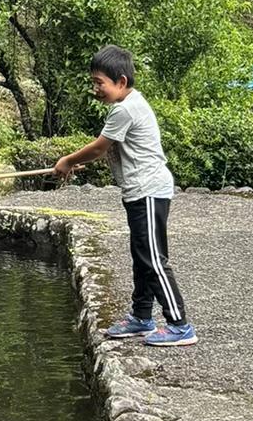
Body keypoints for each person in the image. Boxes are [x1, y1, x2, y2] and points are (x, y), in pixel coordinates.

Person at [52, 46, 196, 346]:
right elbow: (110, 149)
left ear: (120, 81)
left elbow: (100, 146)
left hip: (149, 191)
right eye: (93, 82)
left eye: (99, 82)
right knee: (142, 257)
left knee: (154, 259)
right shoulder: (130, 105)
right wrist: (77, 162)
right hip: (139, 192)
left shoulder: (125, 108)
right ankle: (142, 317)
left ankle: (179, 324)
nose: (95, 89)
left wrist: (67, 160)